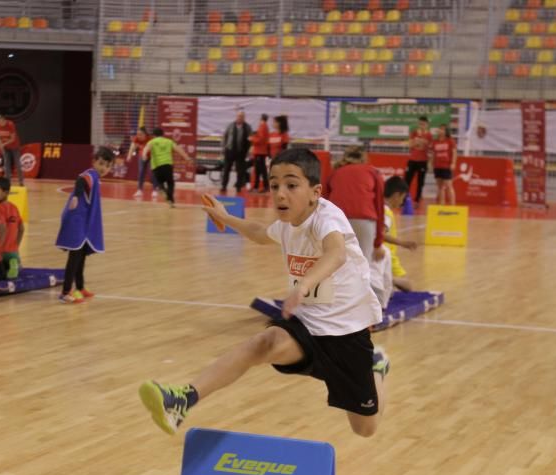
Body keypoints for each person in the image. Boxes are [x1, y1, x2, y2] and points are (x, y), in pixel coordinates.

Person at [139, 148, 389, 438]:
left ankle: (376, 369)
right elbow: (259, 233)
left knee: (364, 429)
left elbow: (336, 253)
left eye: (291, 185)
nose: (280, 193)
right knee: (265, 342)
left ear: (315, 192)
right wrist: (225, 216)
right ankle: (182, 400)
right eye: (274, 185)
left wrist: (306, 284)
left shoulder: (327, 219)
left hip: (347, 334)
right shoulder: (286, 226)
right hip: (308, 325)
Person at [55, 147, 114, 303]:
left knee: (81, 255)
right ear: (94, 162)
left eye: (107, 166)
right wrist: (76, 197)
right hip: (76, 220)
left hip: (83, 220)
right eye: (101, 163)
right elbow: (81, 181)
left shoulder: (95, 177)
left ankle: (80, 287)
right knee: (75, 255)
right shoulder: (91, 174)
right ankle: (65, 293)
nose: (103, 168)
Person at [324, 145, 385, 264]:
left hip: (336, 221)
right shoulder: (373, 172)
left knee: (337, 265)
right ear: (365, 157)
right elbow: (379, 206)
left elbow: (324, 203)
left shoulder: (334, 173)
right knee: (363, 264)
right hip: (364, 221)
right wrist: (378, 242)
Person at [382, 176, 419, 292]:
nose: (402, 202)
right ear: (396, 195)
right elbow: (380, 234)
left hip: (382, 256)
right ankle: (386, 280)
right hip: (387, 257)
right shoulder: (386, 213)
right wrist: (402, 243)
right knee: (408, 286)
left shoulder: (378, 209)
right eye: (403, 198)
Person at [142, 128, 193, 208]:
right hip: (167, 164)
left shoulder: (152, 141)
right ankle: (170, 200)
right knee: (170, 183)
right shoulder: (169, 141)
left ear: (153, 135)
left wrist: (144, 155)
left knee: (160, 182)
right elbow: (179, 150)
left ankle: (162, 189)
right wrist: (187, 158)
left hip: (156, 166)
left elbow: (146, 149)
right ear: (163, 134)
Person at [0, 177, 25, 279]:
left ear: (5, 193)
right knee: (15, 264)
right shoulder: (14, 208)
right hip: (13, 252)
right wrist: (16, 246)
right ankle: (14, 262)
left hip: (0, 252)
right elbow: (22, 229)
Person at [220, 109, 251, 195]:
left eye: (242, 116)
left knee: (240, 170)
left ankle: (238, 187)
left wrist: (248, 151)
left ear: (244, 118)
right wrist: (224, 148)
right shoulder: (230, 126)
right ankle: (224, 186)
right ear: (236, 117)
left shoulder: (247, 127)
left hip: (241, 152)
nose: (240, 118)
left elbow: (250, 140)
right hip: (229, 151)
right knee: (226, 169)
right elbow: (225, 137)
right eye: (238, 116)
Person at [404, 115, 432, 205]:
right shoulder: (414, 133)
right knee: (407, 180)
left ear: (427, 124)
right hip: (412, 160)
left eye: (423, 124)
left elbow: (429, 148)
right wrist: (417, 142)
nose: (422, 125)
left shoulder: (429, 135)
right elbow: (410, 145)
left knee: (420, 182)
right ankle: (404, 199)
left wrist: (420, 143)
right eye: (420, 124)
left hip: (423, 161)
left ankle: (417, 200)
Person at [0, 112, 24, 186]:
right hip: (6, 148)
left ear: (3, 119)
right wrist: (0, 144)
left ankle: (21, 182)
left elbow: (13, 138)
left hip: (15, 147)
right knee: (7, 166)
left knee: (18, 164)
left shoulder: (10, 124)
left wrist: (3, 144)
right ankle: (7, 183)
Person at [127, 126, 157, 200]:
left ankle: (155, 190)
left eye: (140, 134)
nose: (138, 136)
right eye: (137, 134)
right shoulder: (137, 138)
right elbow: (132, 147)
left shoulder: (150, 139)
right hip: (142, 156)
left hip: (152, 156)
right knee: (141, 172)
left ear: (145, 134)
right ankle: (139, 190)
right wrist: (129, 156)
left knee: (152, 172)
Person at [431, 124, 456, 205]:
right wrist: (432, 163)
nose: (440, 130)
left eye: (443, 129)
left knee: (449, 186)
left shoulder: (450, 140)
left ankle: (453, 206)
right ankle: (441, 205)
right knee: (440, 187)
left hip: (447, 166)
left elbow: (454, 153)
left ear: (446, 131)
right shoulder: (435, 141)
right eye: (440, 129)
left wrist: (453, 163)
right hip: (437, 166)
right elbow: (433, 153)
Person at [250, 113, 270, 193]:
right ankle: (258, 186)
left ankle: (260, 186)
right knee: (260, 170)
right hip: (261, 151)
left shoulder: (262, 126)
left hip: (260, 151)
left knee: (260, 170)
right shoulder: (265, 126)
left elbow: (260, 139)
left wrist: (252, 139)